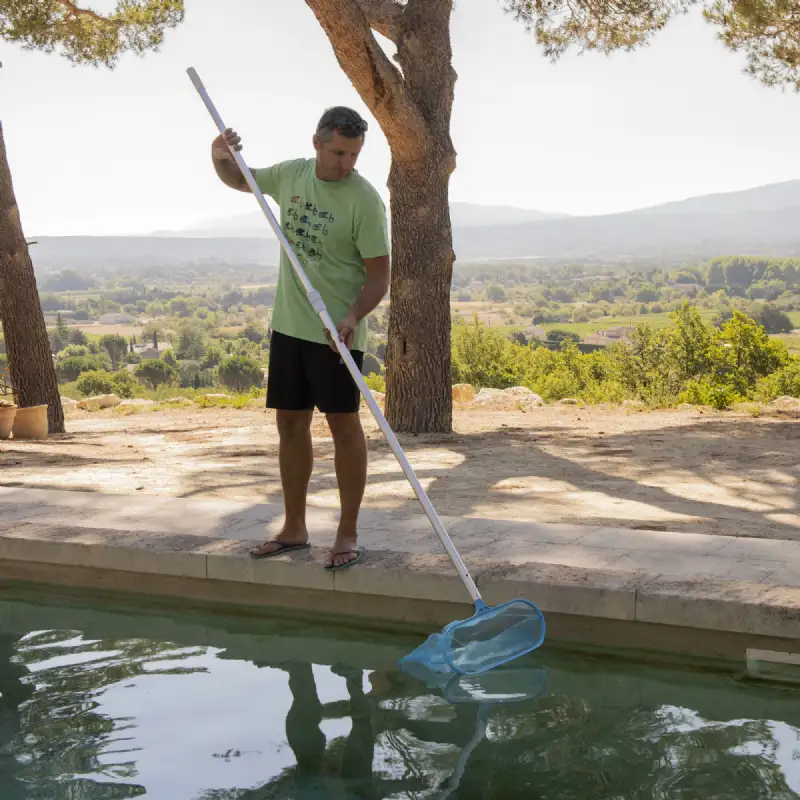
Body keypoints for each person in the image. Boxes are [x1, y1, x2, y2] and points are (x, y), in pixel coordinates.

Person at [211, 106, 390, 570]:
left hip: (337, 334)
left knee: (343, 428)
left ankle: (347, 533)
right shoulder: (291, 175)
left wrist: (352, 316)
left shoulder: (365, 201)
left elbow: (379, 278)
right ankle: (294, 528)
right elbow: (239, 179)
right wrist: (219, 156)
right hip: (290, 325)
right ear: (317, 143)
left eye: (353, 155)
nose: (345, 163)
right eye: (338, 153)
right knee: (290, 425)